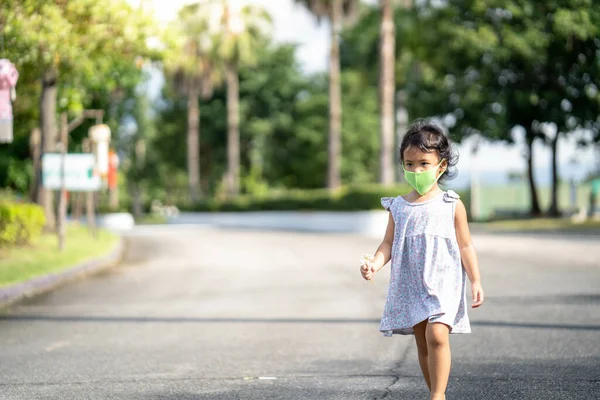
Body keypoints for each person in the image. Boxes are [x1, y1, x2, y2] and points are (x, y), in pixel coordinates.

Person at [360, 119, 484, 400]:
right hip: (410, 284)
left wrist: (476, 280)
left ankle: (437, 396)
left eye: (424, 163)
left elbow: (466, 246)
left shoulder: (452, 204)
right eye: (410, 163)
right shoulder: (398, 206)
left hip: (443, 282)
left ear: (441, 166)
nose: (416, 170)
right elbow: (388, 244)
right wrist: (374, 264)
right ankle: (434, 390)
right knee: (423, 342)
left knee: (437, 335)